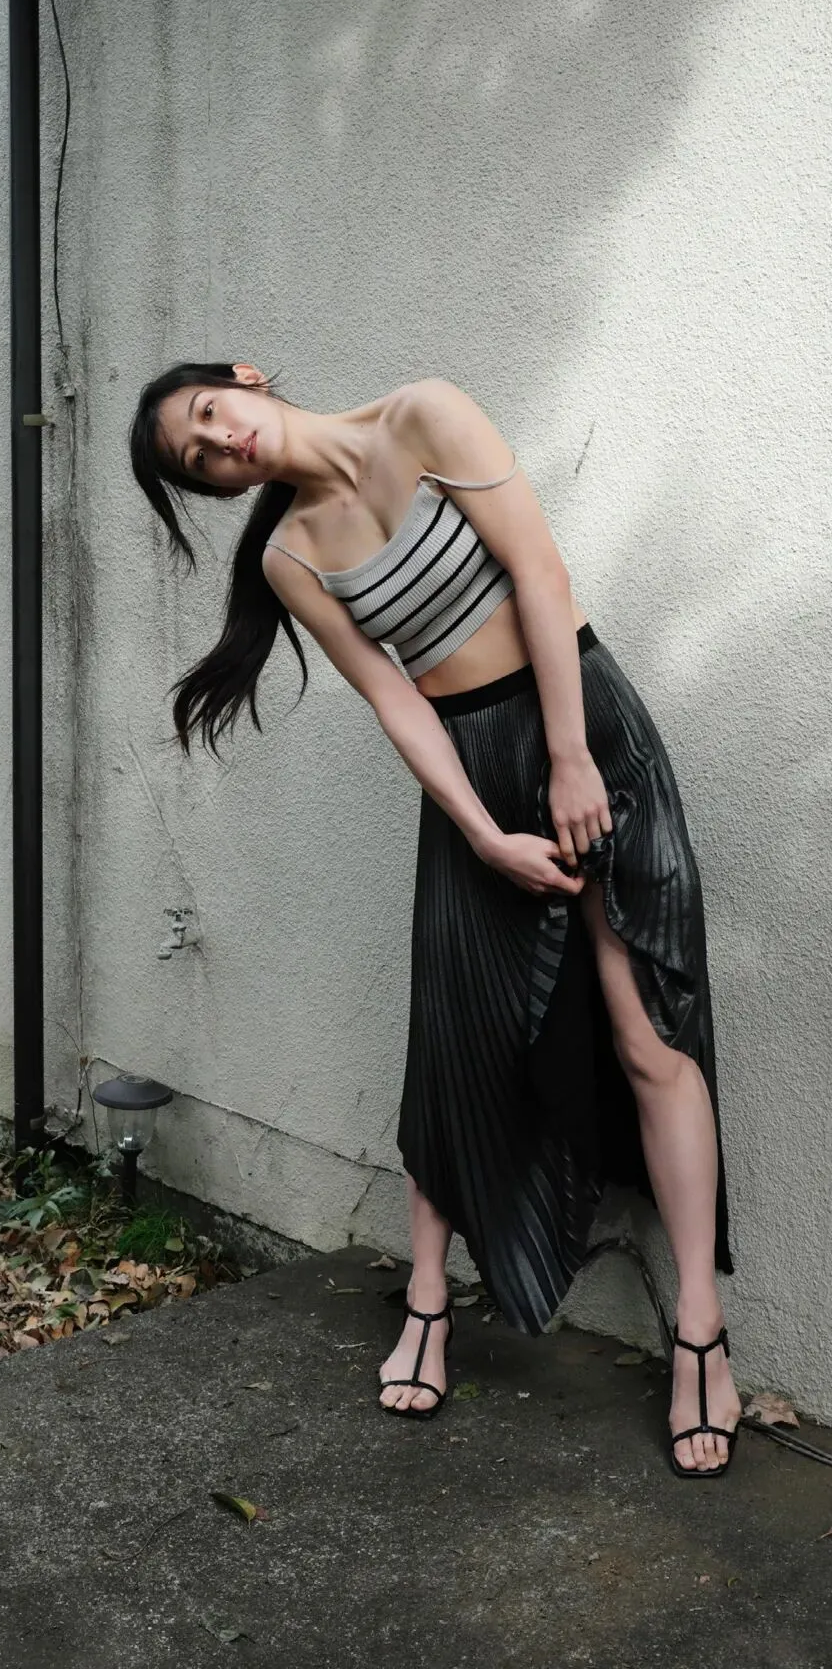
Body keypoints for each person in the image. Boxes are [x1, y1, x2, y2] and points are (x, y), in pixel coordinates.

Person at [129, 361, 742, 1477]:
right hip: (471, 781)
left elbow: (541, 573)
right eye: (199, 461)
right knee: (456, 1043)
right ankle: (427, 1299)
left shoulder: (424, 414)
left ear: (245, 380)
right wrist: (482, 832)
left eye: (211, 415)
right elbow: (398, 700)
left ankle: (700, 1328)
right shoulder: (290, 557)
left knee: (646, 1032)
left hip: (584, 724)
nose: (222, 447)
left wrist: (569, 758)